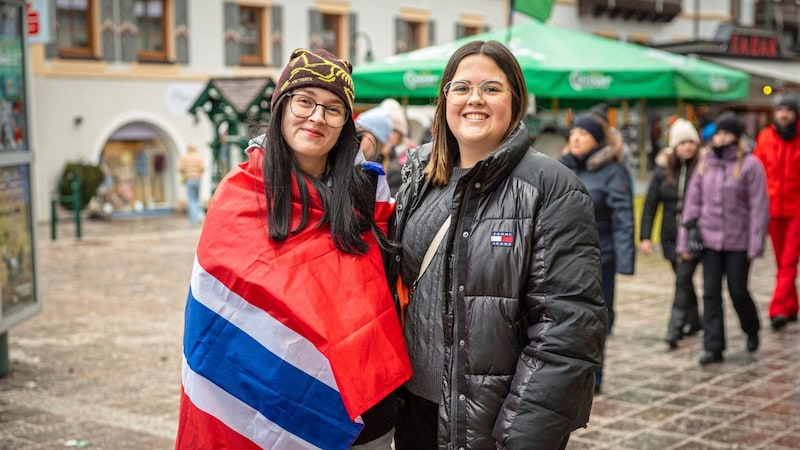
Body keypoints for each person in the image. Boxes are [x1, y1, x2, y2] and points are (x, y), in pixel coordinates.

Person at [176, 48, 412, 450]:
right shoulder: (240, 194)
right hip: (261, 409)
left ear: (345, 124)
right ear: (282, 108)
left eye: (334, 108)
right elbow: (216, 316)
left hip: (365, 416)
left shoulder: (371, 196)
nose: (317, 117)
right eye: (305, 101)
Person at [390, 40, 607, 450]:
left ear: (515, 100)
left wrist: (523, 434)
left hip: (492, 423)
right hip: (414, 412)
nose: (475, 99)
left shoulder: (551, 188)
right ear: (444, 98)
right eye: (461, 87)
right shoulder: (420, 173)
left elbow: (567, 330)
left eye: (491, 88)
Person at [677, 111, 769, 365]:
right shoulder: (705, 164)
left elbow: (759, 207)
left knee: (738, 291)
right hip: (710, 240)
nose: (722, 138)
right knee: (710, 294)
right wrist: (685, 241)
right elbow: (692, 204)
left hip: (739, 242)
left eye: (727, 133)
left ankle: (752, 328)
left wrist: (755, 244)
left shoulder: (750, 165)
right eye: (718, 133)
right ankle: (713, 346)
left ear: (737, 136)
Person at [560, 112, 635, 394]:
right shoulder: (561, 168)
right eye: (573, 134)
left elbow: (623, 217)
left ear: (597, 140)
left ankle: (595, 374)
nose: (576, 139)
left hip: (600, 259)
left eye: (583, 134)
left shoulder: (613, 172)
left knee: (596, 318)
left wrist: (625, 260)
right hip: (564, 258)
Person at [639, 118, 703, 349]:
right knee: (683, 279)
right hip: (670, 236)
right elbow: (650, 205)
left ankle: (673, 330)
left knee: (683, 280)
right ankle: (695, 320)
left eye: (691, 142)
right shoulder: (663, 172)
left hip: (695, 236)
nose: (688, 147)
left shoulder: (703, 169)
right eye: (682, 142)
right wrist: (645, 237)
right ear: (674, 146)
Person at [753, 94, 800, 332]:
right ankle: (792, 305)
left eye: (789, 110)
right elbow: (756, 172)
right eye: (781, 109)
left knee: (789, 261)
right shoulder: (765, 138)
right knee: (782, 260)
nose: (784, 114)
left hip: (796, 210)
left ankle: (778, 308)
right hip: (772, 210)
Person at [177, 144, 206, 226]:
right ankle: (199, 216)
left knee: (191, 199)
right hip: (197, 179)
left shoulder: (185, 157)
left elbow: (179, 168)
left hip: (189, 179)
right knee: (197, 198)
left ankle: (193, 220)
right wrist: (199, 174)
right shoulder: (198, 157)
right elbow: (203, 167)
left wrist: (185, 173)